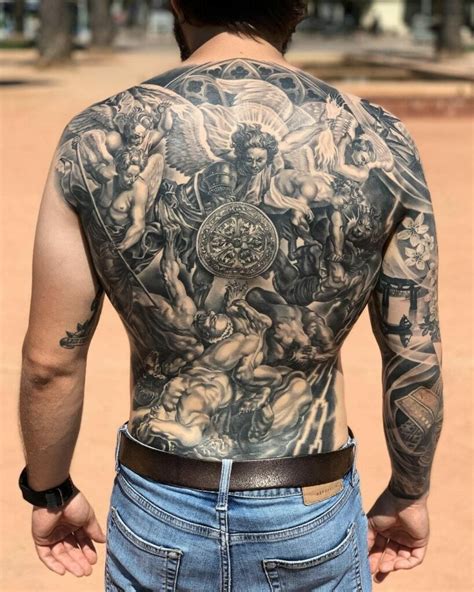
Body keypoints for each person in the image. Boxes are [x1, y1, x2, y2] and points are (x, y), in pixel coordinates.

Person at [18, 0, 443, 590]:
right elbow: (413, 354)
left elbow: (50, 363)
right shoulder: (383, 141)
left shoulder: (94, 137)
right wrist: (409, 491)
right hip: (308, 497)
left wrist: (50, 489)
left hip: (160, 501)